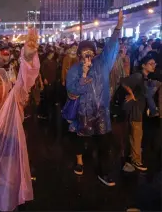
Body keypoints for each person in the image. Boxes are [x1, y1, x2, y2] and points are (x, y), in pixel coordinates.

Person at [0, 29, 39, 211]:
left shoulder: (13, 104)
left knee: (8, 203)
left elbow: (23, 82)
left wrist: (27, 57)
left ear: (5, 86)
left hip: (9, 166)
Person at [66, 10, 123, 186]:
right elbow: (72, 90)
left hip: (101, 112)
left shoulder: (103, 63)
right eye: (84, 52)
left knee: (104, 143)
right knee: (81, 141)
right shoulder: (74, 70)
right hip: (83, 112)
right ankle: (80, 161)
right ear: (79, 55)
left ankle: (103, 172)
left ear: (95, 52)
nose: (88, 55)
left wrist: (118, 28)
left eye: (90, 51)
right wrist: (83, 77)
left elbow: (112, 47)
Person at [121, 55, 160, 171]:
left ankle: (132, 156)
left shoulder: (146, 77)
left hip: (138, 110)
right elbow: (123, 82)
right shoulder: (138, 76)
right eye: (151, 63)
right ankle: (136, 161)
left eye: (154, 64)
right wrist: (131, 94)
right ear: (143, 65)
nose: (154, 65)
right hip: (135, 111)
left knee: (134, 135)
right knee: (137, 135)